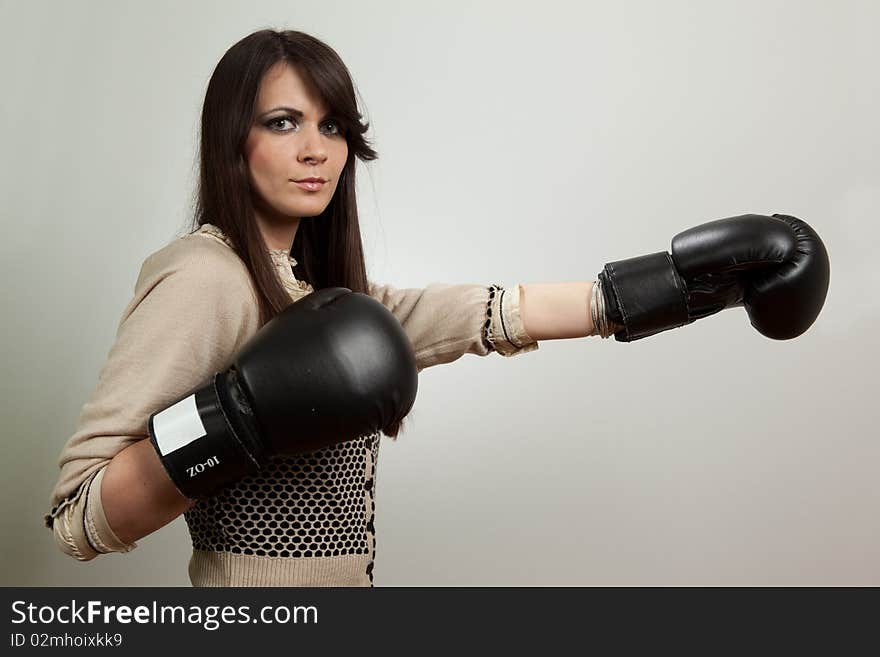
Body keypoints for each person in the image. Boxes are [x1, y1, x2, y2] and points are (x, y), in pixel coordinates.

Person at [44, 29, 829, 587]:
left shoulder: (319, 293)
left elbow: (490, 312)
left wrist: (686, 288)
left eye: (332, 126)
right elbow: (78, 514)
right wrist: (236, 418)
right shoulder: (205, 277)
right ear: (232, 140)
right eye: (283, 123)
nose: (317, 149)